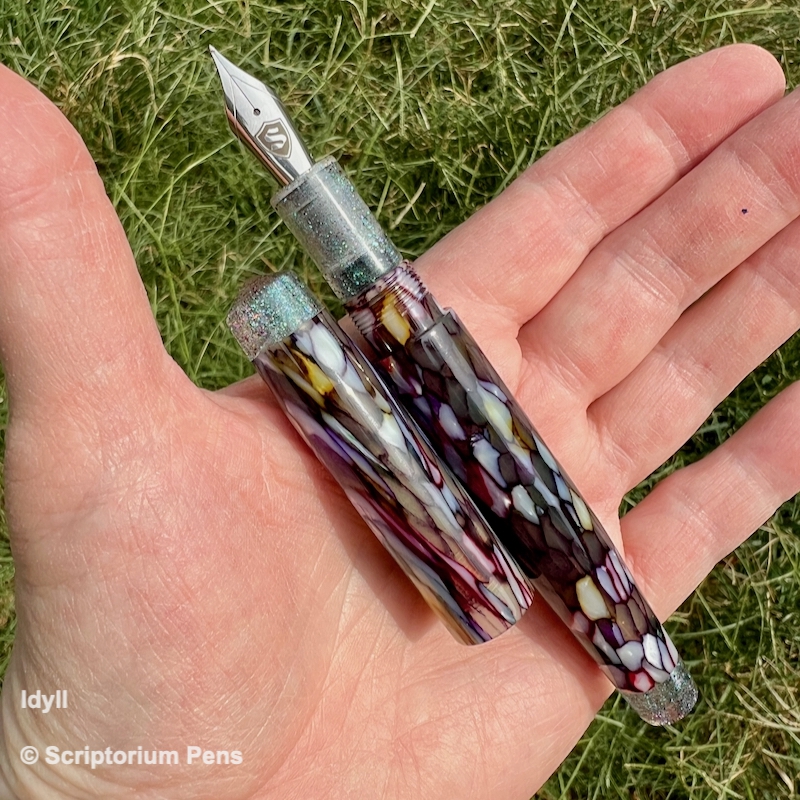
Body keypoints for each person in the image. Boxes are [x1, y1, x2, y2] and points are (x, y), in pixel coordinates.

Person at [0, 42, 797, 799]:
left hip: (401, 322)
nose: (255, 113)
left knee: (482, 432)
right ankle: (648, 672)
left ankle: (649, 674)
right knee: (472, 425)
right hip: (397, 331)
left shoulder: (390, 326)